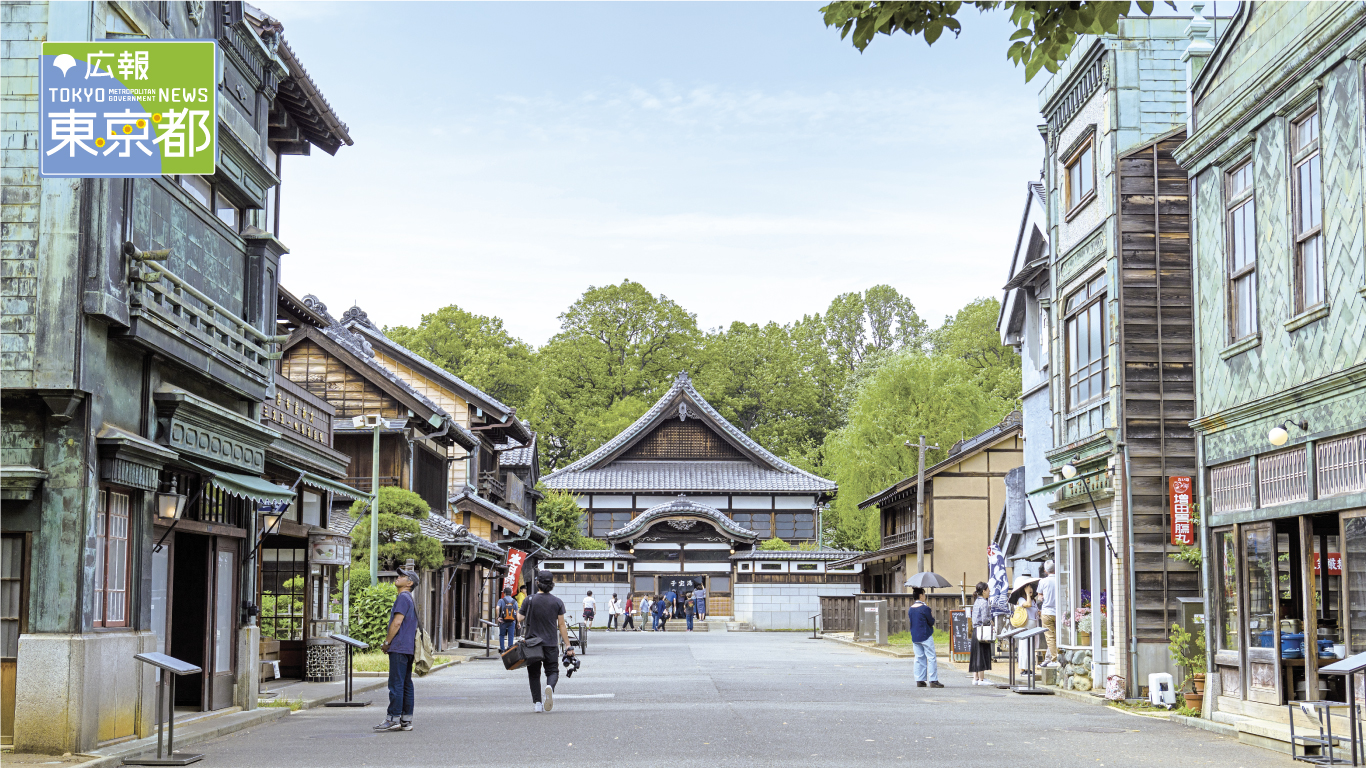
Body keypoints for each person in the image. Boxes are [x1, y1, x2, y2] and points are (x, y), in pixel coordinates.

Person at [519, 569, 577, 713]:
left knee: (534, 674)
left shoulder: (529, 600)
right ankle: (550, 687)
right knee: (552, 671)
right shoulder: (557, 602)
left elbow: (519, 618)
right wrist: (568, 646)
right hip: (551, 643)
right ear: (552, 584)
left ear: (537, 583)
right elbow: (562, 625)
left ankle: (537, 704)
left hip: (532, 644)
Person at [374, 566, 420, 732]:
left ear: (409, 582)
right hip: (408, 648)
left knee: (396, 683)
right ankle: (406, 720)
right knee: (407, 683)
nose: (398, 577)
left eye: (402, 576)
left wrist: (387, 642)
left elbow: (397, 622)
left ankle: (392, 718)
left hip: (399, 646)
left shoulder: (402, 598)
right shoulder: (410, 599)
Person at [908, 587, 943, 688]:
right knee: (931, 657)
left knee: (919, 658)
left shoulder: (911, 608)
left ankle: (920, 679)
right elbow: (931, 622)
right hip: (925, 635)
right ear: (921, 595)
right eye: (923, 594)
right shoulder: (925, 608)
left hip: (915, 636)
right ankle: (933, 680)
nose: (924, 596)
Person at [969, 581, 993, 685]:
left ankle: (975, 678)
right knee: (982, 654)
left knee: (976, 654)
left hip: (976, 631)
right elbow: (984, 619)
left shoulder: (977, 601)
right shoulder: (984, 602)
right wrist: (990, 621)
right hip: (982, 631)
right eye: (988, 590)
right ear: (983, 591)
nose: (989, 591)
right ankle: (981, 679)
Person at [1038, 560, 1059, 667]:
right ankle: (1049, 658)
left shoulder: (1043, 582)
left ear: (1045, 571)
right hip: (1059, 611)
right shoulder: (1060, 579)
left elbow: (1040, 596)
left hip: (1047, 611)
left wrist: (1041, 597)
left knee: (1050, 637)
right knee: (1058, 635)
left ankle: (1055, 659)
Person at [496, 586, 519, 653]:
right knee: (511, 636)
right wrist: (518, 623)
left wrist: (498, 617)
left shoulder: (501, 600)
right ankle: (509, 650)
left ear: (504, 593)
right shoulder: (514, 601)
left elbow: (497, 608)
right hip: (512, 621)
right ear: (511, 593)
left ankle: (502, 650)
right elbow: (517, 612)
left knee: (502, 635)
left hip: (503, 620)